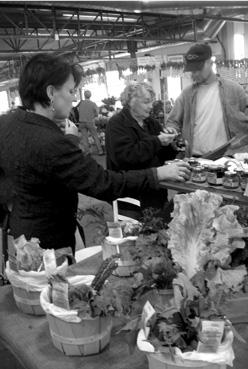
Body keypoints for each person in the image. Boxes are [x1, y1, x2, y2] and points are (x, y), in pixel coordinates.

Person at [0, 53, 190, 253]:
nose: (74, 98)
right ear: (50, 93)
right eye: (71, 90)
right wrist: (159, 174)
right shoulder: (51, 141)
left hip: (20, 232)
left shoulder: (8, 123)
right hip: (48, 242)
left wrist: (10, 202)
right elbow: (103, 183)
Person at [105, 82, 180, 215]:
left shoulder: (151, 123)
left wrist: (169, 142)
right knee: (135, 232)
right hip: (130, 196)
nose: (151, 106)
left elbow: (165, 157)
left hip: (156, 192)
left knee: (158, 228)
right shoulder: (117, 124)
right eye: (146, 102)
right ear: (131, 101)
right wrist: (157, 141)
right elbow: (126, 157)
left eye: (151, 102)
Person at [165, 42, 248, 157]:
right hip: (197, 159)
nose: (195, 74)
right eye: (192, 70)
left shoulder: (234, 90)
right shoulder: (187, 94)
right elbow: (172, 121)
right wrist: (171, 130)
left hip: (227, 157)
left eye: (198, 69)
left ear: (209, 63)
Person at [77, 90, 103, 155]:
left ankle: (87, 152)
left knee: (84, 138)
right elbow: (97, 113)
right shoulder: (93, 104)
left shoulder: (81, 103)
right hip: (90, 122)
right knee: (95, 136)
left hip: (81, 122)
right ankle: (100, 151)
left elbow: (78, 110)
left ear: (84, 95)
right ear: (90, 95)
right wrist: (93, 115)